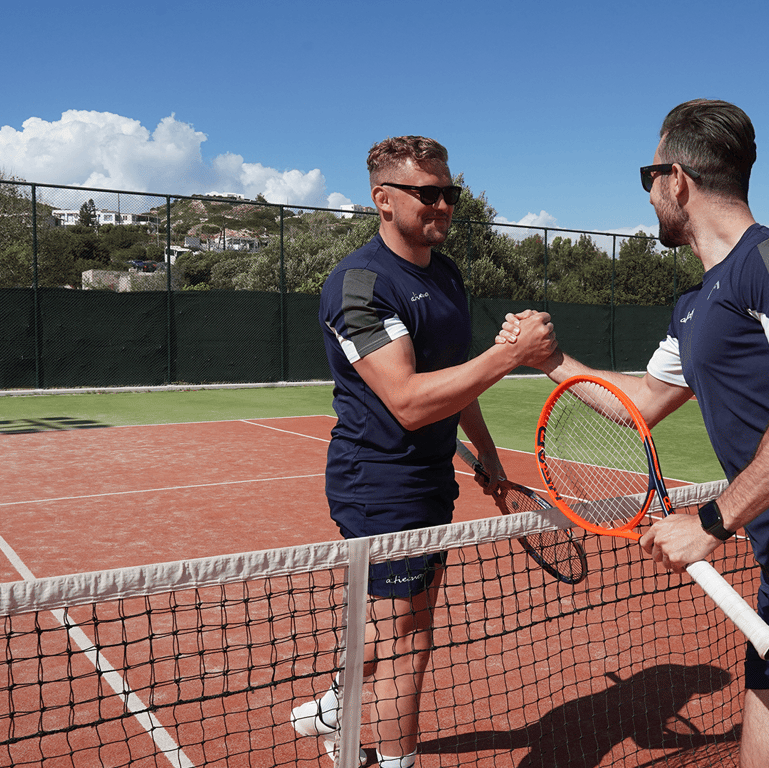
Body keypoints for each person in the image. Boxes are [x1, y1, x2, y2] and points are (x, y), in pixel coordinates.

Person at [502, 100, 769, 768]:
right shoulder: (696, 307)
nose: (649, 194)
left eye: (649, 177)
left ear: (676, 180)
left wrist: (712, 521)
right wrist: (550, 362)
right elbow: (638, 406)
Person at [292, 135, 556, 768]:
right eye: (426, 193)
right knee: (410, 636)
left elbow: (453, 376)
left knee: (393, 618)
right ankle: (393, 761)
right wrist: (510, 356)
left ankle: (337, 701)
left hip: (433, 478)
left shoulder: (446, 273)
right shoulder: (359, 287)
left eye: (449, 193)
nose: (442, 205)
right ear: (383, 199)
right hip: (379, 485)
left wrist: (487, 455)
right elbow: (409, 400)